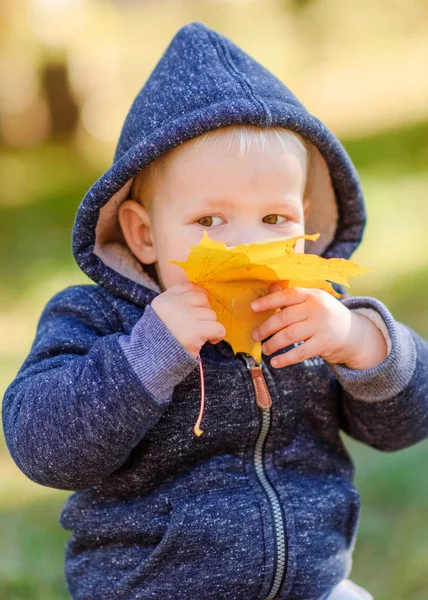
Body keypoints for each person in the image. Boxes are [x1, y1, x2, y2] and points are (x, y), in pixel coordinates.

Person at [2, 21, 427, 600]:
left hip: (311, 586)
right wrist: (147, 356)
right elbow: (41, 448)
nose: (247, 246)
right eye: (209, 221)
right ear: (144, 235)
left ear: (307, 219)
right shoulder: (100, 319)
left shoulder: (313, 314)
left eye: (275, 220)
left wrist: (362, 343)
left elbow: (407, 423)